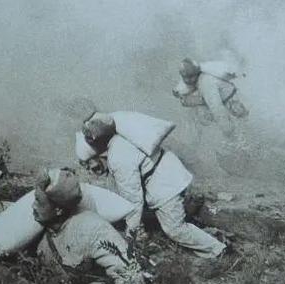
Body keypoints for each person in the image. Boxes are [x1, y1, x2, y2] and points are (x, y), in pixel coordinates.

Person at [33, 167, 248, 284]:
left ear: (59, 211)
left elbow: (129, 271)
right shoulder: (44, 238)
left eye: (39, 202)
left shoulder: (89, 227)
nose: (33, 207)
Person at [76, 111, 227, 259]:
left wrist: (131, 234)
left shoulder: (118, 157)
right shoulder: (122, 138)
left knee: (174, 229)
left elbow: (133, 201)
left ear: (98, 153)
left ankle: (218, 250)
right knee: (169, 218)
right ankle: (209, 235)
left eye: (93, 166)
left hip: (165, 183)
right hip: (170, 170)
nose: (94, 170)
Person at [172, 58, 248, 138]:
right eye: (185, 77)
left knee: (243, 126)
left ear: (196, 73)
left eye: (191, 77)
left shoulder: (206, 82)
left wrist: (227, 130)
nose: (188, 80)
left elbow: (216, 107)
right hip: (228, 103)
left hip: (233, 104)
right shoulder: (196, 81)